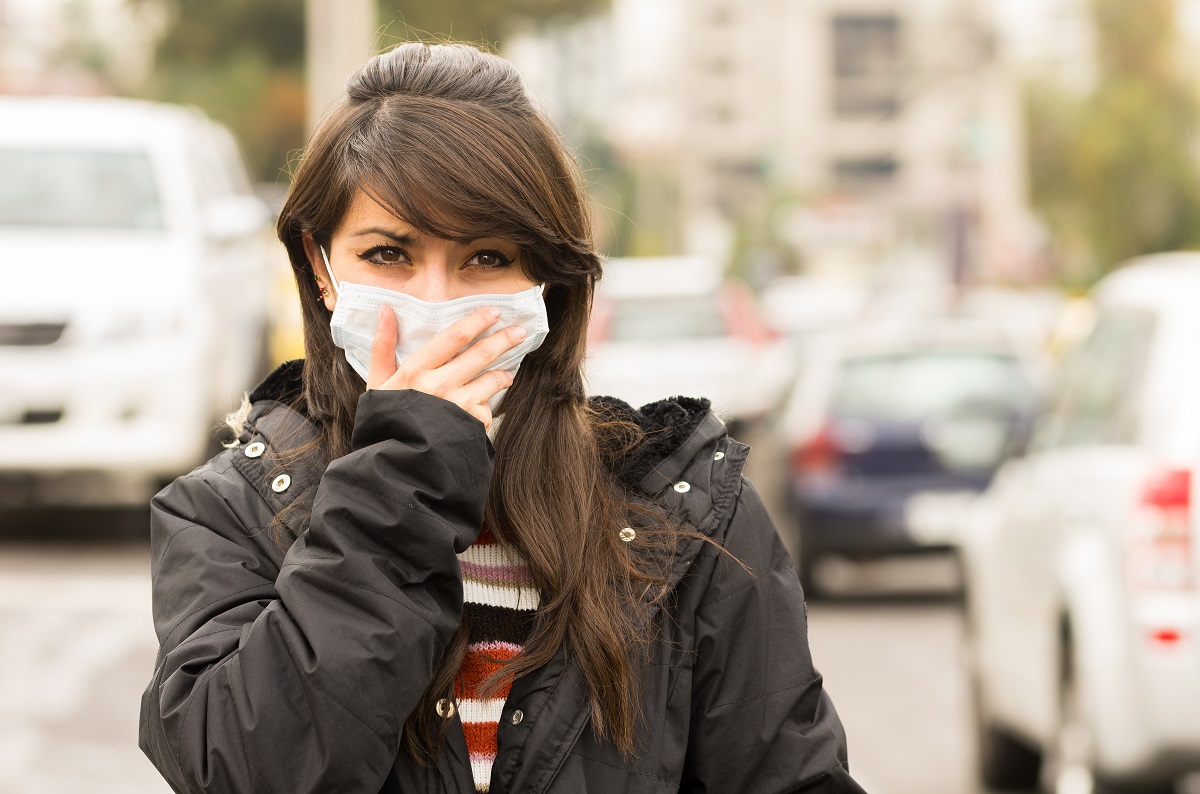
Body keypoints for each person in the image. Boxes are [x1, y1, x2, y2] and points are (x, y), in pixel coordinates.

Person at [139, 41, 864, 794]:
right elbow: (241, 769)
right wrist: (400, 488)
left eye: (485, 258)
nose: (439, 301)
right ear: (321, 268)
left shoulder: (689, 517)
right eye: (389, 254)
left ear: (546, 282)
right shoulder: (233, 513)